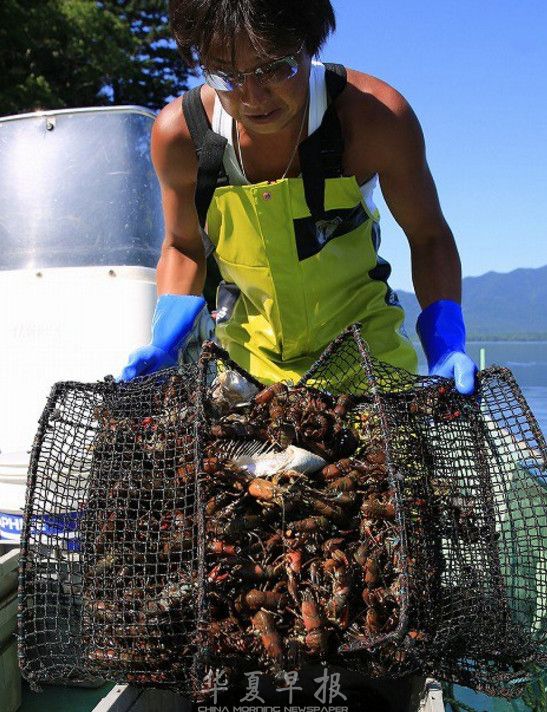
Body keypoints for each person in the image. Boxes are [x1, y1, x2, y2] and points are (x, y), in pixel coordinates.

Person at [120, 0, 477, 395]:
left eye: (275, 68)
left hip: (371, 362)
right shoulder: (181, 136)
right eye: (226, 75)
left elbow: (428, 236)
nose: (253, 96)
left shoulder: (376, 118)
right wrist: (165, 341)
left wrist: (446, 344)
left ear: (310, 43)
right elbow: (184, 247)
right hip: (248, 372)